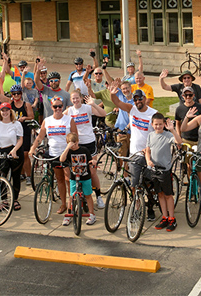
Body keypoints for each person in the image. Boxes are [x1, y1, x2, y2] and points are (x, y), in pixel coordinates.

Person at [109, 80, 159, 220]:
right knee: (135, 183)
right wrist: (113, 94)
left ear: (145, 99)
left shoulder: (153, 113)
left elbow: (159, 133)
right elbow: (118, 103)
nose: (138, 101)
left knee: (149, 184)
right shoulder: (132, 109)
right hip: (134, 154)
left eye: (140, 98)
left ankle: (150, 208)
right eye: (135, 99)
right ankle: (136, 207)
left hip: (150, 154)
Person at [31, 96, 78, 215]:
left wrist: (73, 148)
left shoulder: (69, 120)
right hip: (53, 154)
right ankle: (63, 204)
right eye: (55, 106)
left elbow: (75, 137)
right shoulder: (47, 120)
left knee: (68, 179)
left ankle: (71, 203)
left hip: (67, 154)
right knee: (60, 180)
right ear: (51, 107)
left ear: (63, 107)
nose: (57, 108)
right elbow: (40, 137)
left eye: (60, 106)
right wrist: (32, 148)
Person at [67, 90, 107, 209]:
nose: (75, 100)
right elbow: (58, 118)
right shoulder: (69, 111)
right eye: (73, 98)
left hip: (89, 142)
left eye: (77, 98)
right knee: (77, 172)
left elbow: (103, 113)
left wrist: (93, 104)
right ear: (71, 100)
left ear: (81, 98)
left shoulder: (87, 108)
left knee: (92, 171)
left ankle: (98, 196)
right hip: (76, 145)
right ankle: (80, 196)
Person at [145, 114, 182, 232]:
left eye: (160, 124)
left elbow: (179, 141)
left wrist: (172, 129)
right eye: (156, 124)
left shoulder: (168, 135)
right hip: (154, 170)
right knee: (160, 194)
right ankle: (164, 216)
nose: (158, 126)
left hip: (165, 170)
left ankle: (172, 218)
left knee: (168, 195)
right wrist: (148, 160)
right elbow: (148, 150)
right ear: (152, 124)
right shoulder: (150, 135)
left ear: (164, 125)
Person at [0, 102, 24, 211]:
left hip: (14, 150)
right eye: (2, 110)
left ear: (10, 111)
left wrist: (14, 151)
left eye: (7, 110)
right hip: (1, 151)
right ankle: (4, 200)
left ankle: (15, 199)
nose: (5, 113)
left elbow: (20, 139)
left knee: (15, 175)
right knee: (1, 176)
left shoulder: (16, 124)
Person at [60, 132, 96, 226]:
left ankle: (92, 214)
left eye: (75, 144)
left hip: (85, 176)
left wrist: (93, 162)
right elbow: (62, 159)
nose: (74, 146)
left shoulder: (84, 150)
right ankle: (69, 214)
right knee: (71, 196)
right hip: (74, 177)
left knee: (88, 195)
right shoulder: (68, 152)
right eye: (71, 144)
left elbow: (90, 160)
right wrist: (67, 148)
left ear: (78, 142)